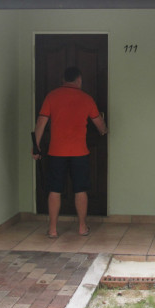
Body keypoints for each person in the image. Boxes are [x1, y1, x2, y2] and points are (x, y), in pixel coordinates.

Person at [33, 66, 107, 238]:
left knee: (54, 190)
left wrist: (36, 146)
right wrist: (104, 129)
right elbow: (100, 125)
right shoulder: (87, 99)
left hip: (56, 152)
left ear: (63, 79)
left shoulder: (52, 96)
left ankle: (52, 230)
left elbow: (41, 123)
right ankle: (82, 227)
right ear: (79, 80)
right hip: (79, 152)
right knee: (81, 190)